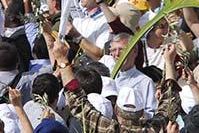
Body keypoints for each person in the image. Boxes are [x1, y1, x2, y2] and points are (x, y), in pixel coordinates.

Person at [52, 38, 181, 132]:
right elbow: (169, 102)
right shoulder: (154, 128)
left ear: (116, 110)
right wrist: (169, 62)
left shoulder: (108, 128)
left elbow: (77, 101)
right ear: (142, 113)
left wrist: (62, 60)